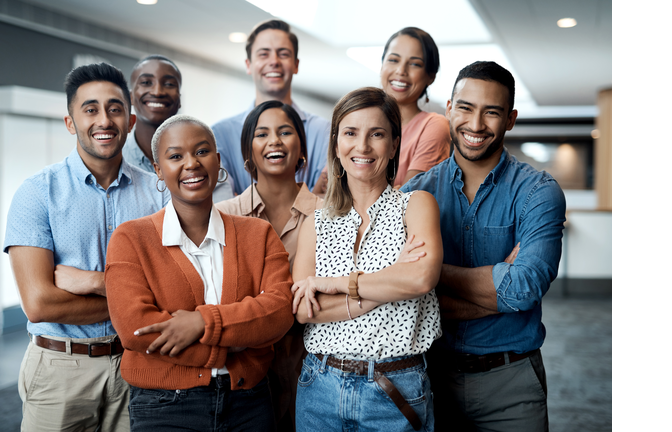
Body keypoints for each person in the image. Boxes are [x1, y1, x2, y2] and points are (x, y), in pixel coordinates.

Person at [3, 62, 170, 431]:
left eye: (113, 109)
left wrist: (93, 282)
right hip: (60, 370)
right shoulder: (37, 193)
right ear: (70, 122)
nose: (104, 120)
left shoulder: (158, 194)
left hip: (138, 364)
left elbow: (172, 292)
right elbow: (39, 303)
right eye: (90, 109)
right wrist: (133, 299)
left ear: (129, 119)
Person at [400, 61, 566, 431]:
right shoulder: (415, 194)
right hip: (429, 380)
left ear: (510, 119)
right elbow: (401, 300)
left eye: (491, 112)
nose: (475, 125)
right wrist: (497, 288)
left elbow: (523, 289)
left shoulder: (538, 192)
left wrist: (428, 275)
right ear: (448, 109)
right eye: (465, 108)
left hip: (512, 384)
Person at [104, 114, 295, 431]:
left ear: (218, 161)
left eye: (202, 151)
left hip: (247, 402)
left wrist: (201, 323)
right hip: (164, 406)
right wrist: (237, 340)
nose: (191, 163)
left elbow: (278, 311)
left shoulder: (259, 234)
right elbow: (136, 329)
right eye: (175, 156)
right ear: (158, 170)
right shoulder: (130, 238)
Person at [291, 87, 443, 432]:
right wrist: (390, 281)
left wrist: (332, 286)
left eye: (377, 134)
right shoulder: (316, 221)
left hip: (394, 387)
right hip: (320, 384)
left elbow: (420, 280)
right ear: (336, 144)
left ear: (393, 145)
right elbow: (303, 309)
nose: (362, 147)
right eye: (350, 133)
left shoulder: (416, 205)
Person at [216, 100, 323, 431]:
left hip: (314, 368)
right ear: (248, 151)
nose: (275, 141)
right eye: (262, 134)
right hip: (242, 369)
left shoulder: (330, 215)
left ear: (301, 148)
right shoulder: (222, 215)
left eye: (285, 132)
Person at [212, 19, 330, 195]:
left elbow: (326, 201)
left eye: (283, 54)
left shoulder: (324, 130)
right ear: (248, 65)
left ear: (296, 65)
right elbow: (225, 205)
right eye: (263, 54)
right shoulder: (220, 134)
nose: (274, 61)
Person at [124, 54, 234, 202]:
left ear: (179, 99)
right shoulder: (117, 160)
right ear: (130, 96)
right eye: (146, 82)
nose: (157, 92)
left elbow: (222, 217)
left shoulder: (206, 164)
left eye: (169, 84)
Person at [380, 27, 450, 187]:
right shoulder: (358, 120)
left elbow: (406, 199)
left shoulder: (434, 125)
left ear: (430, 76)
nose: (401, 71)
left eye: (414, 64)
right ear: (382, 65)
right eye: (393, 60)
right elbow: (323, 193)